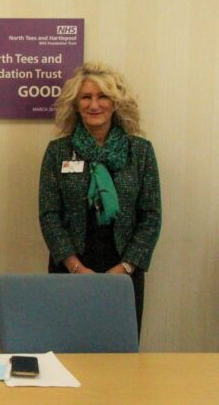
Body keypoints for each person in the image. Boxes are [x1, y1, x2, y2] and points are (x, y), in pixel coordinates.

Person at [39, 61, 161, 334]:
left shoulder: (140, 152)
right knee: (68, 350)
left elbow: (151, 216)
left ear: (115, 103)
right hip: (69, 271)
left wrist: (125, 268)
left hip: (124, 272)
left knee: (119, 353)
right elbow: (49, 215)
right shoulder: (58, 152)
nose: (94, 104)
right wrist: (76, 267)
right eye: (86, 97)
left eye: (102, 96)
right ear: (76, 104)